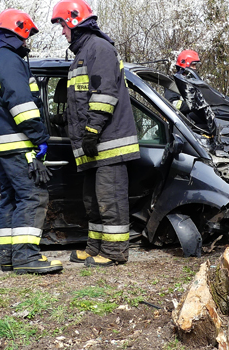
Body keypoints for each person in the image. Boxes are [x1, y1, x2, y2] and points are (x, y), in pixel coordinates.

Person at [51, 0, 140, 267]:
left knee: (110, 200)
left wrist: (92, 129)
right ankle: (94, 248)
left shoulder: (99, 49)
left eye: (62, 26)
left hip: (108, 143)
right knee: (93, 201)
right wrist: (65, 119)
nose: (62, 32)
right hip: (93, 145)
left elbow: (104, 95)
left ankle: (114, 253)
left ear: (75, 22)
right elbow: (82, 100)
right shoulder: (83, 52)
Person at [0, 9, 63, 274]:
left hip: (1, 145)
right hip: (18, 143)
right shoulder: (8, 59)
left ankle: (7, 257)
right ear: (18, 32)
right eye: (26, 36)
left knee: (10, 199)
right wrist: (39, 136)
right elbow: (21, 105)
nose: (27, 42)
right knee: (33, 196)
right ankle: (26, 257)